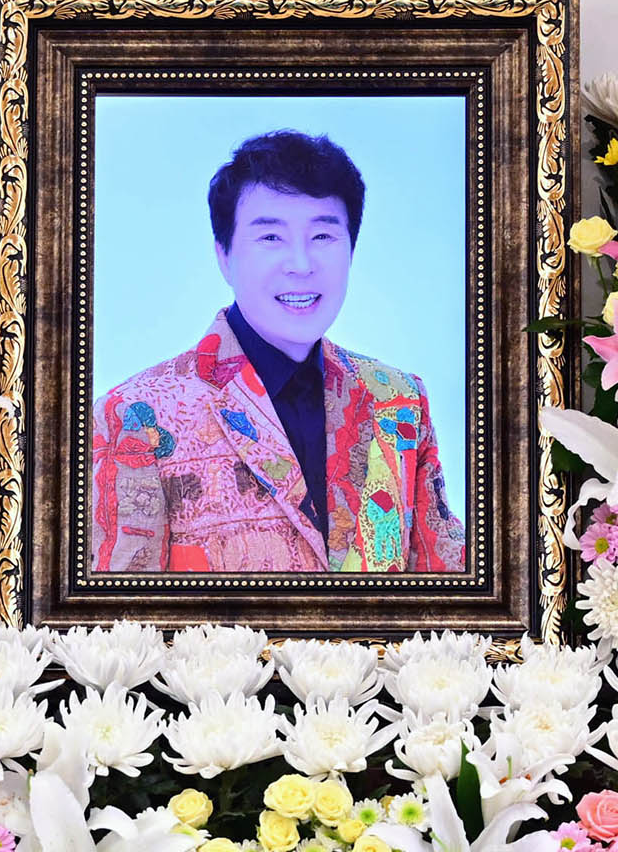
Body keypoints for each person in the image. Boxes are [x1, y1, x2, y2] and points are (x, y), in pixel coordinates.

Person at [91, 130, 466, 574]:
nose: (301, 265)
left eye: (323, 236)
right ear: (224, 255)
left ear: (351, 249)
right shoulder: (137, 415)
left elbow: (448, 585)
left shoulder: (399, 399)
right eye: (271, 238)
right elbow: (117, 612)